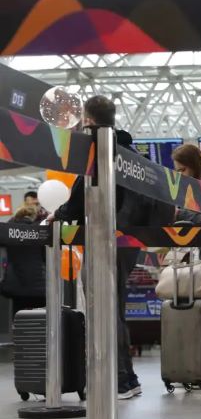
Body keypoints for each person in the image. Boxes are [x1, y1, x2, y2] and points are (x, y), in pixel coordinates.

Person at [52, 95, 175, 400]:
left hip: (106, 239)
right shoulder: (131, 154)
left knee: (103, 309)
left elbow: (78, 200)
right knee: (114, 309)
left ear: (88, 121)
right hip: (130, 242)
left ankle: (119, 381)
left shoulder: (99, 150)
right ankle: (128, 379)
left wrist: (59, 214)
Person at [1, 206, 46, 314]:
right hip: (38, 286)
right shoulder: (38, 231)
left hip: (16, 286)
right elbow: (45, 258)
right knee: (39, 317)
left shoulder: (9, 232)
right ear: (33, 216)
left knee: (18, 316)